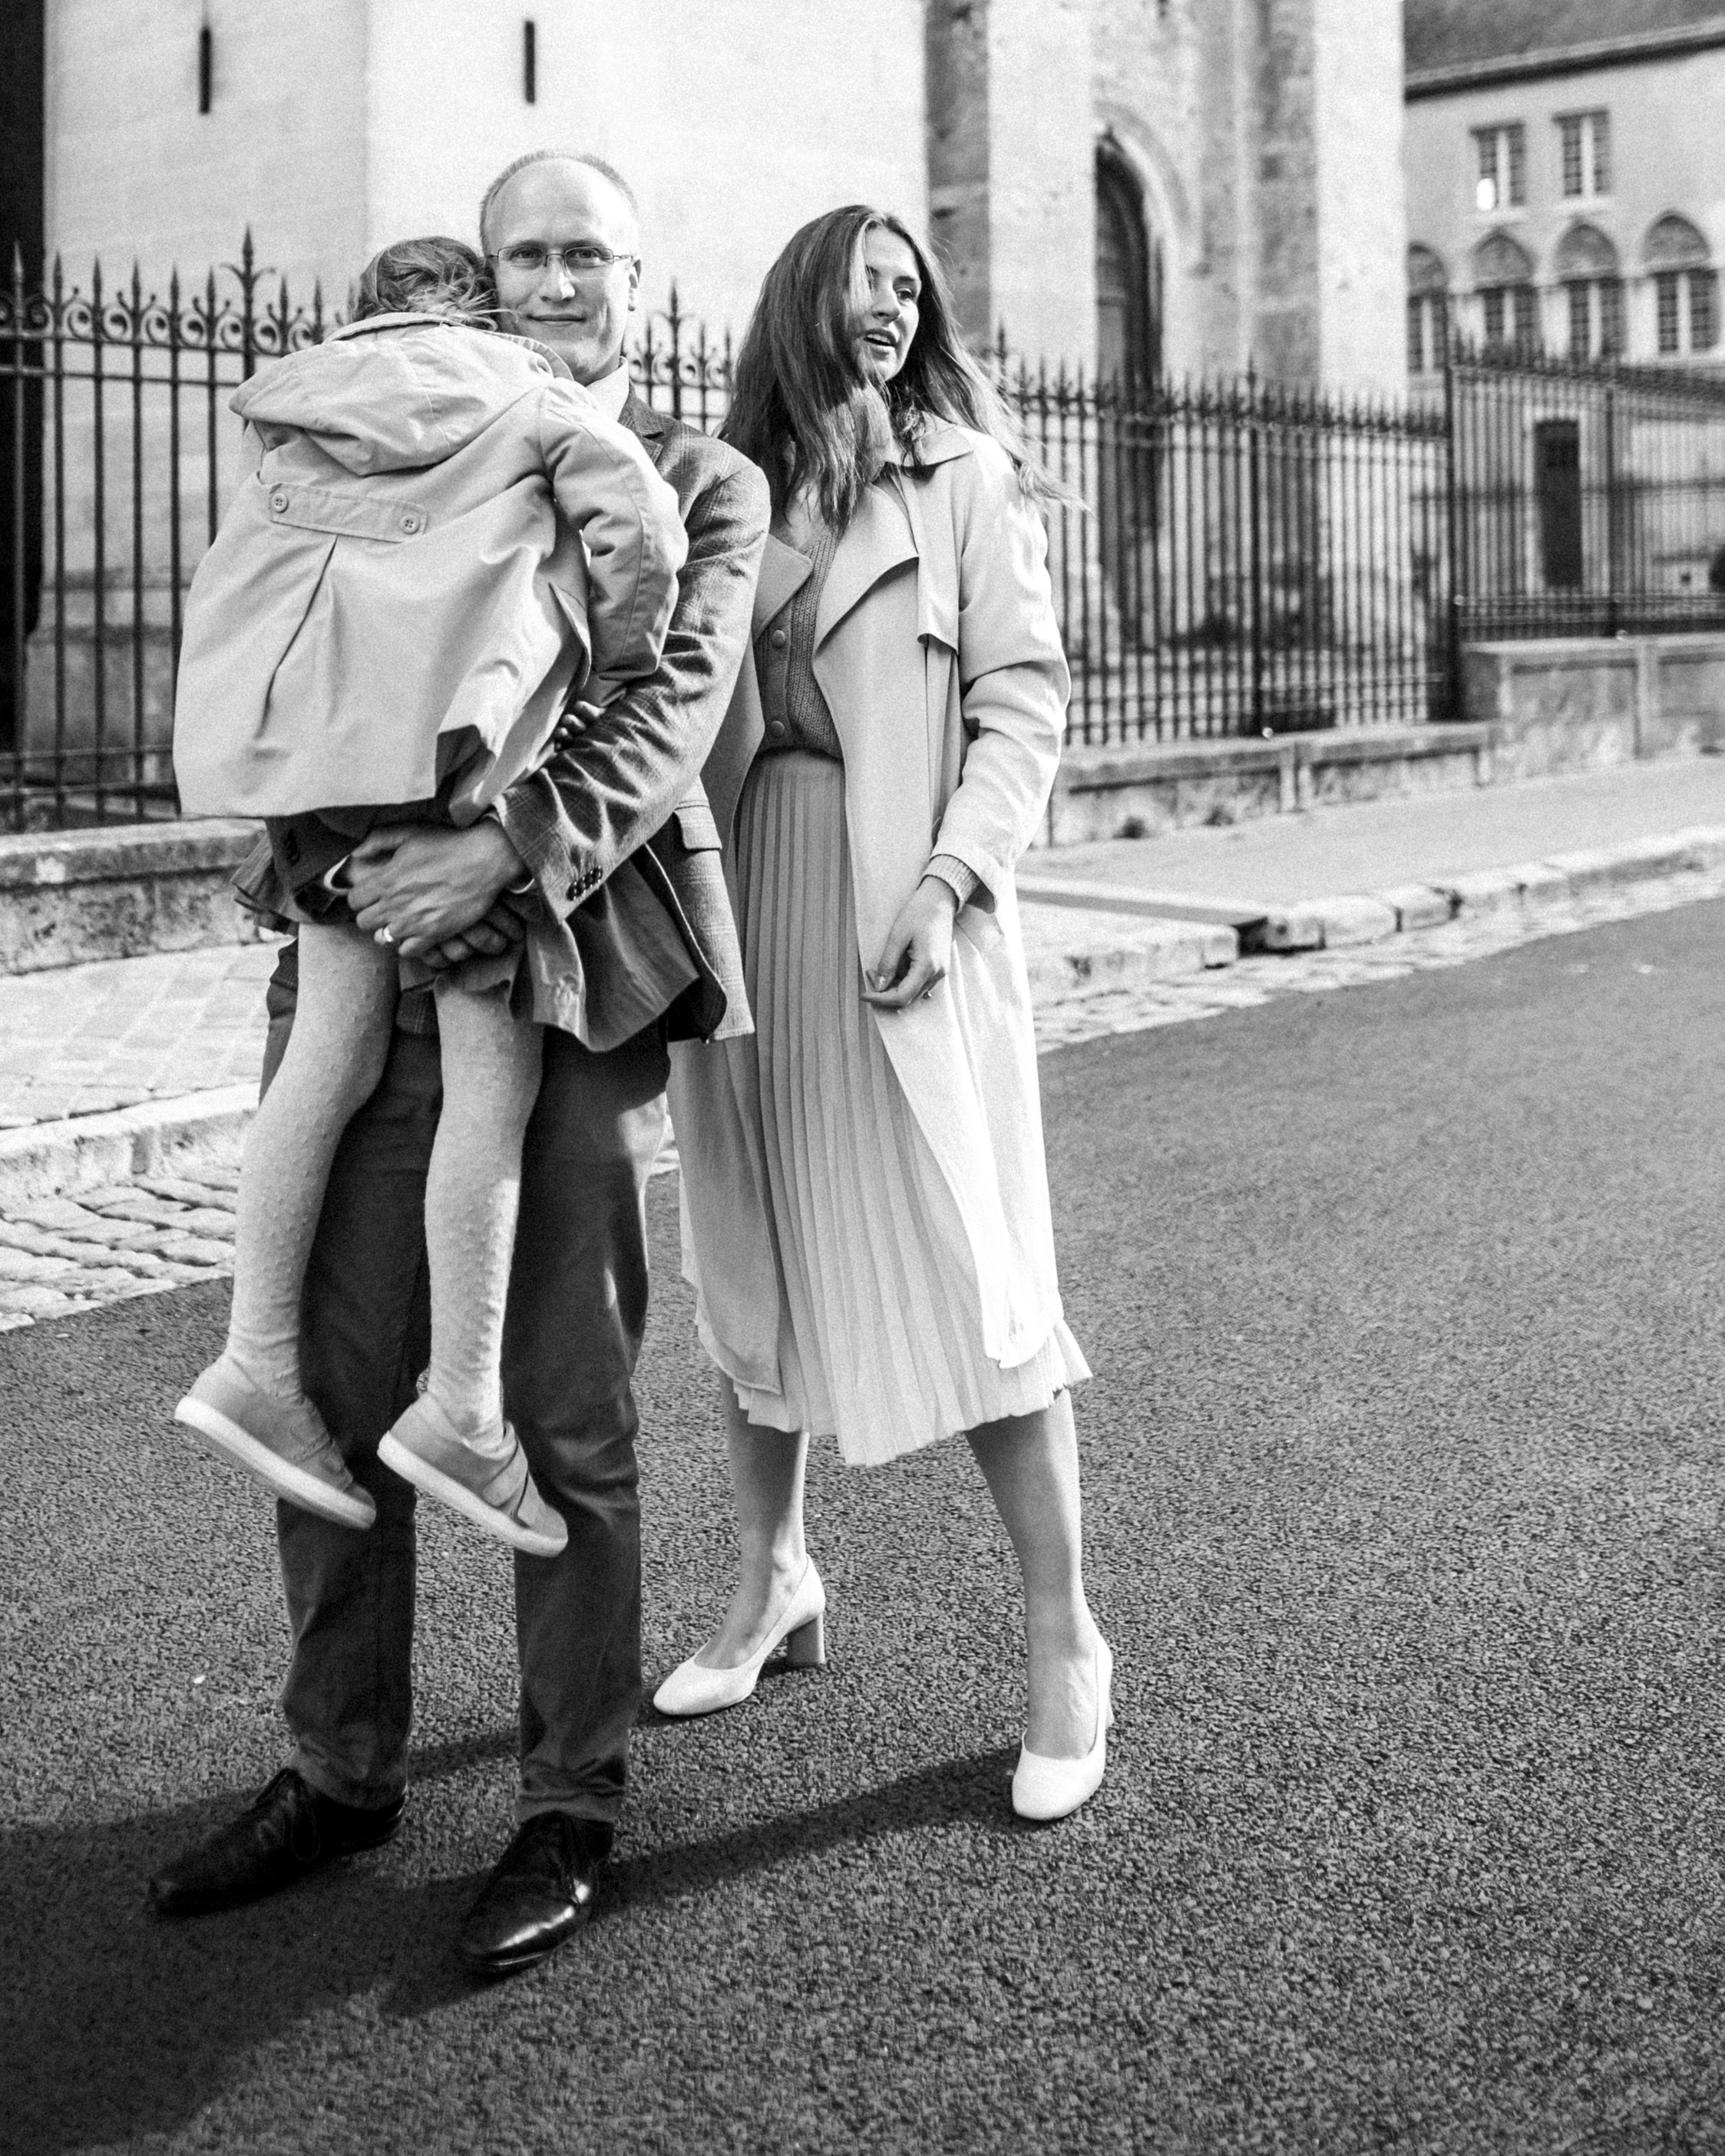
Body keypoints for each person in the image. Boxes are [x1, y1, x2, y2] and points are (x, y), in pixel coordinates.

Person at [149, 154, 770, 1976]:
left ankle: (570, 1796)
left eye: (593, 251)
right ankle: (340, 1765)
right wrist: (341, 852)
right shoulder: (407, 421)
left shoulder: (699, 470)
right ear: (482, 276)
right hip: (357, 949)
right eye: (531, 251)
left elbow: (675, 697)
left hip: (563, 965)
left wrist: (496, 848)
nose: (562, 276)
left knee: (557, 1401)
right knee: (329, 1383)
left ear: (645, 282)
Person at [665, 204, 1112, 1824]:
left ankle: (1064, 1636)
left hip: (897, 904)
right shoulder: (716, 493)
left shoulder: (963, 482)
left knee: (969, 1260)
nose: (890, 304)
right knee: (751, 1248)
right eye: (865, 281)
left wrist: (949, 879)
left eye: (908, 287)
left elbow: (1022, 698)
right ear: (800, 299)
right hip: (743, 903)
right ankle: (772, 1574)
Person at [169, 233, 686, 1557]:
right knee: (489, 1095)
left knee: (322, 1060)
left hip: (319, 769)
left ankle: (255, 1361)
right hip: (456, 758)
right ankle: (460, 1408)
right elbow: (637, 528)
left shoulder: (299, 396)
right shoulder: (530, 392)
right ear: (475, 303)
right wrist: (615, 651)